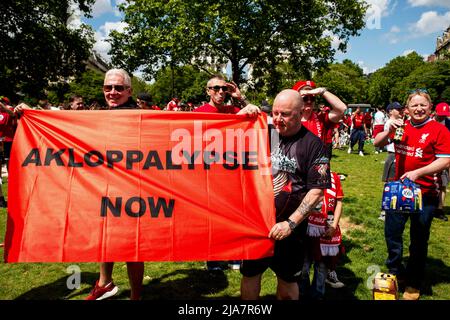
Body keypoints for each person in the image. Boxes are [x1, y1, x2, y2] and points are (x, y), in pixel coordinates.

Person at [240, 89, 331, 300]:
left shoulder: (314, 145)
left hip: (291, 230)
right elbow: (223, 141)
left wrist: (290, 223)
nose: (278, 119)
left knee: (288, 281)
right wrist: (241, 117)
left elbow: (317, 192)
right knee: (250, 275)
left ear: (301, 113)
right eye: (275, 113)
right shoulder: (265, 132)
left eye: (285, 114)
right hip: (256, 223)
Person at [374, 89, 450, 300]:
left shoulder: (439, 130)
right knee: (392, 234)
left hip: (425, 194)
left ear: (430, 107)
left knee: (419, 239)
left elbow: (445, 160)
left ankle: (414, 282)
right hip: (399, 192)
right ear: (407, 109)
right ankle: (394, 273)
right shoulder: (401, 126)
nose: (418, 109)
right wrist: (388, 130)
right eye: (414, 105)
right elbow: (376, 143)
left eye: (422, 105)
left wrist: (418, 172)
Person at [194, 74, 260, 271]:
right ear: (208, 91)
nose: (220, 92)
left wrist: (241, 98)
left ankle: (234, 256)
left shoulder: (234, 110)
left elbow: (256, 114)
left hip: (233, 173)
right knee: (212, 219)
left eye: (224, 89)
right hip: (209, 174)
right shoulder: (199, 112)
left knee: (234, 217)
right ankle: (213, 259)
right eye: (215, 88)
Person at [299, 171, 344, 300]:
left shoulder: (334, 177)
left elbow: (339, 202)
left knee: (322, 265)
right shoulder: (304, 173)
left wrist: (334, 225)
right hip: (306, 228)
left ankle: (318, 294)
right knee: (304, 263)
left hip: (326, 229)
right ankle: (301, 292)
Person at [292, 80, 347, 159]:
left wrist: (322, 91)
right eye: (305, 98)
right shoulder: (290, 120)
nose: (309, 101)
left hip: (317, 166)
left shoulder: (322, 119)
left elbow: (342, 109)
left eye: (312, 98)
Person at [378, 102, 405, 221]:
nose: (401, 111)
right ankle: (385, 211)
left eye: (401, 109)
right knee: (390, 184)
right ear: (390, 111)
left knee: (396, 183)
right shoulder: (391, 123)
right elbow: (395, 140)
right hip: (393, 155)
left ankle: (393, 208)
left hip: (395, 154)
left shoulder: (398, 122)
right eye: (397, 109)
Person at [433, 102, 450, 222]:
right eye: (441, 115)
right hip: (430, 158)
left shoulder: (449, 124)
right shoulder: (429, 123)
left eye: (445, 115)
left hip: (444, 157)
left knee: (443, 184)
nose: (443, 117)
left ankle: (439, 209)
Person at [0, 96, 17, 208]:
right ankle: (1, 199)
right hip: (1, 143)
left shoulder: (9, 110)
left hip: (8, 142)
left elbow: (13, 114)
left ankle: (15, 196)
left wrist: (3, 106)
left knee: (12, 170)